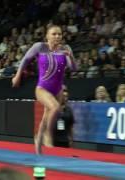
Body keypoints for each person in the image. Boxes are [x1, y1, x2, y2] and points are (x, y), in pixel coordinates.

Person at [12, 25, 77, 155]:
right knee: (55, 108)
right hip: (42, 88)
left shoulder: (65, 48)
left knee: (46, 116)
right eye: (54, 34)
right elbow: (25, 60)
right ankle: (48, 134)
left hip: (57, 89)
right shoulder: (39, 47)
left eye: (59, 34)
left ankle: (38, 140)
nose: (57, 36)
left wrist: (71, 56)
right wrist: (18, 75)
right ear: (47, 36)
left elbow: (73, 68)